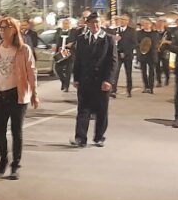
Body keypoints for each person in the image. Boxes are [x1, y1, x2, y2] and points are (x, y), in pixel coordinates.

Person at [0, 17, 38, 180]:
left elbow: (31, 72)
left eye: (5, 27)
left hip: (17, 95)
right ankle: (3, 160)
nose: (2, 31)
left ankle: (15, 165)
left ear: (14, 30)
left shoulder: (23, 49)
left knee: (16, 131)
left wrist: (34, 93)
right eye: (0, 28)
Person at [69, 12, 117, 147]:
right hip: (85, 80)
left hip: (102, 81)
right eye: (92, 23)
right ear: (88, 24)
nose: (95, 25)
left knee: (101, 110)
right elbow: (78, 60)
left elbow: (113, 62)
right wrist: (76, 78)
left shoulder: (108, 39)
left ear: (101, 23)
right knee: (83, 110)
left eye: (97, 22)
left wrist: (108, 80)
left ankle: (99, 137)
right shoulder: (81, 39)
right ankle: (80, 138)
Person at [112, 14, 137, 98]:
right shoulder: (116, 30)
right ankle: (113, 90)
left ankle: (129, 90)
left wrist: (125, 52)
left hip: (128, 55)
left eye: (124, 19)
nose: (122, 21)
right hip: (118, 55)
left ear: (127, 21)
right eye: (121, 19)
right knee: (115, 73)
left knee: (128, 73)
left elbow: (134, 44)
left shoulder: (132, 31)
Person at [52, 18, 75, 92]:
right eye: (64, 23)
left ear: (69, 24)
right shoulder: (59, 31)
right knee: (57, 68)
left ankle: (66, 86)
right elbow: (54, 40)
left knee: (68, 70)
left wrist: (72, 44)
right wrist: (54, 45)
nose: (65, 25)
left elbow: (77, 40)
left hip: (69, 52)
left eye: (66, 23)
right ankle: (64, 81)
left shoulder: (73, 31)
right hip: (60, 52)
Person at [137, 19, 159, 94]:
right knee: (143, 72)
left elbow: (156, 44)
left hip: (151, 55)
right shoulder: (139, 33)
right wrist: (142, 47)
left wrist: (150, 48)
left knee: (151, 72)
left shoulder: (155, 34)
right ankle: (146, 86)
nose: (146, 25)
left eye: (147, 23)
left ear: (150, 24)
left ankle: (151, 87)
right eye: (145, 23)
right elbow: (136, 43)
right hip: (142, 55)